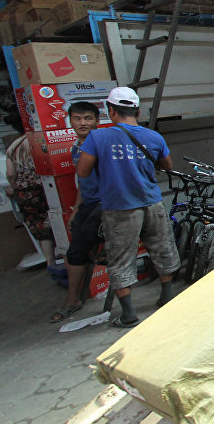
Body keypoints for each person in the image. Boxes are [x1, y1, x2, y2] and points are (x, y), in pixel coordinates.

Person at [76, 87, 180, 328]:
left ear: (110, 111)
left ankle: (129, 314)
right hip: (152, 202)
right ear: (138, 110)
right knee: (162, 247)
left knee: (121, 258)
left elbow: (83, 171)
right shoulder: (154, 137)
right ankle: (166, 297)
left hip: (120, 208)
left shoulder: (98, 137)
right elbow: (167, 165)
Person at [49, 102, 104, 323]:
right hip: (88, 204)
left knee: (79, 249)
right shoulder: (76, 148)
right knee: (75, 252)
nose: (83, 123)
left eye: (88, 118)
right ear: (70, 121)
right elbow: (83, 181)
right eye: (78, 118)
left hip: (106, 204)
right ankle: (74, 299)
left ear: (97, 121)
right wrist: (76, 209)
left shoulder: (102, 144)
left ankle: (72, 300)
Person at [5, 121, 55, 267]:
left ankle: (50, 262)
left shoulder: (13, 147)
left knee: (40, 226)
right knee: (58, 219)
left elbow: (10, 174)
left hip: (26, 194)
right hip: (47, 187)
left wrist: (15, 187)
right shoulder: (41, 140)